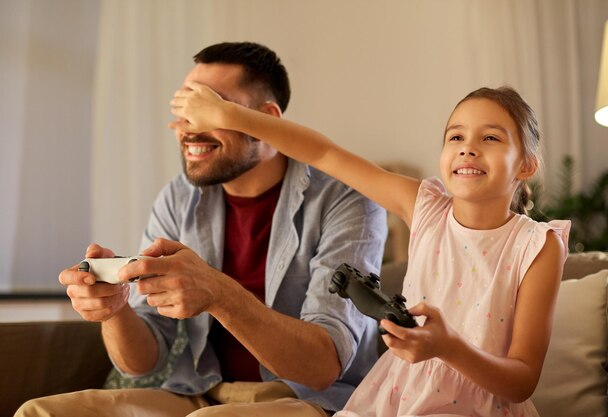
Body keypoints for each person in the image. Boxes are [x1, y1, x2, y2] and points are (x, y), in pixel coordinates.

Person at [15, 42, 387, 417]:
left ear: (266, 121)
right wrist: (115, 310)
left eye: (207, 108)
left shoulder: (348, 201)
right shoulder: (179, 197)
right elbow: (145, 361)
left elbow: (322, 367)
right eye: (183, 108)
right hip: (198, 391)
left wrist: (220, 294)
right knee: (40, 412)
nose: (186, 127)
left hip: (308, 399)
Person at [169, 83, 571, 416]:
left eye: (490, 137)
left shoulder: (537, 245)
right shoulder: (425, 207)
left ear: (526, 166)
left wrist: (448, 348)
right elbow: (324, 153)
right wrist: (231, 117)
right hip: (395, 399)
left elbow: (521, 380)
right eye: (456, 137)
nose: (468, 148)